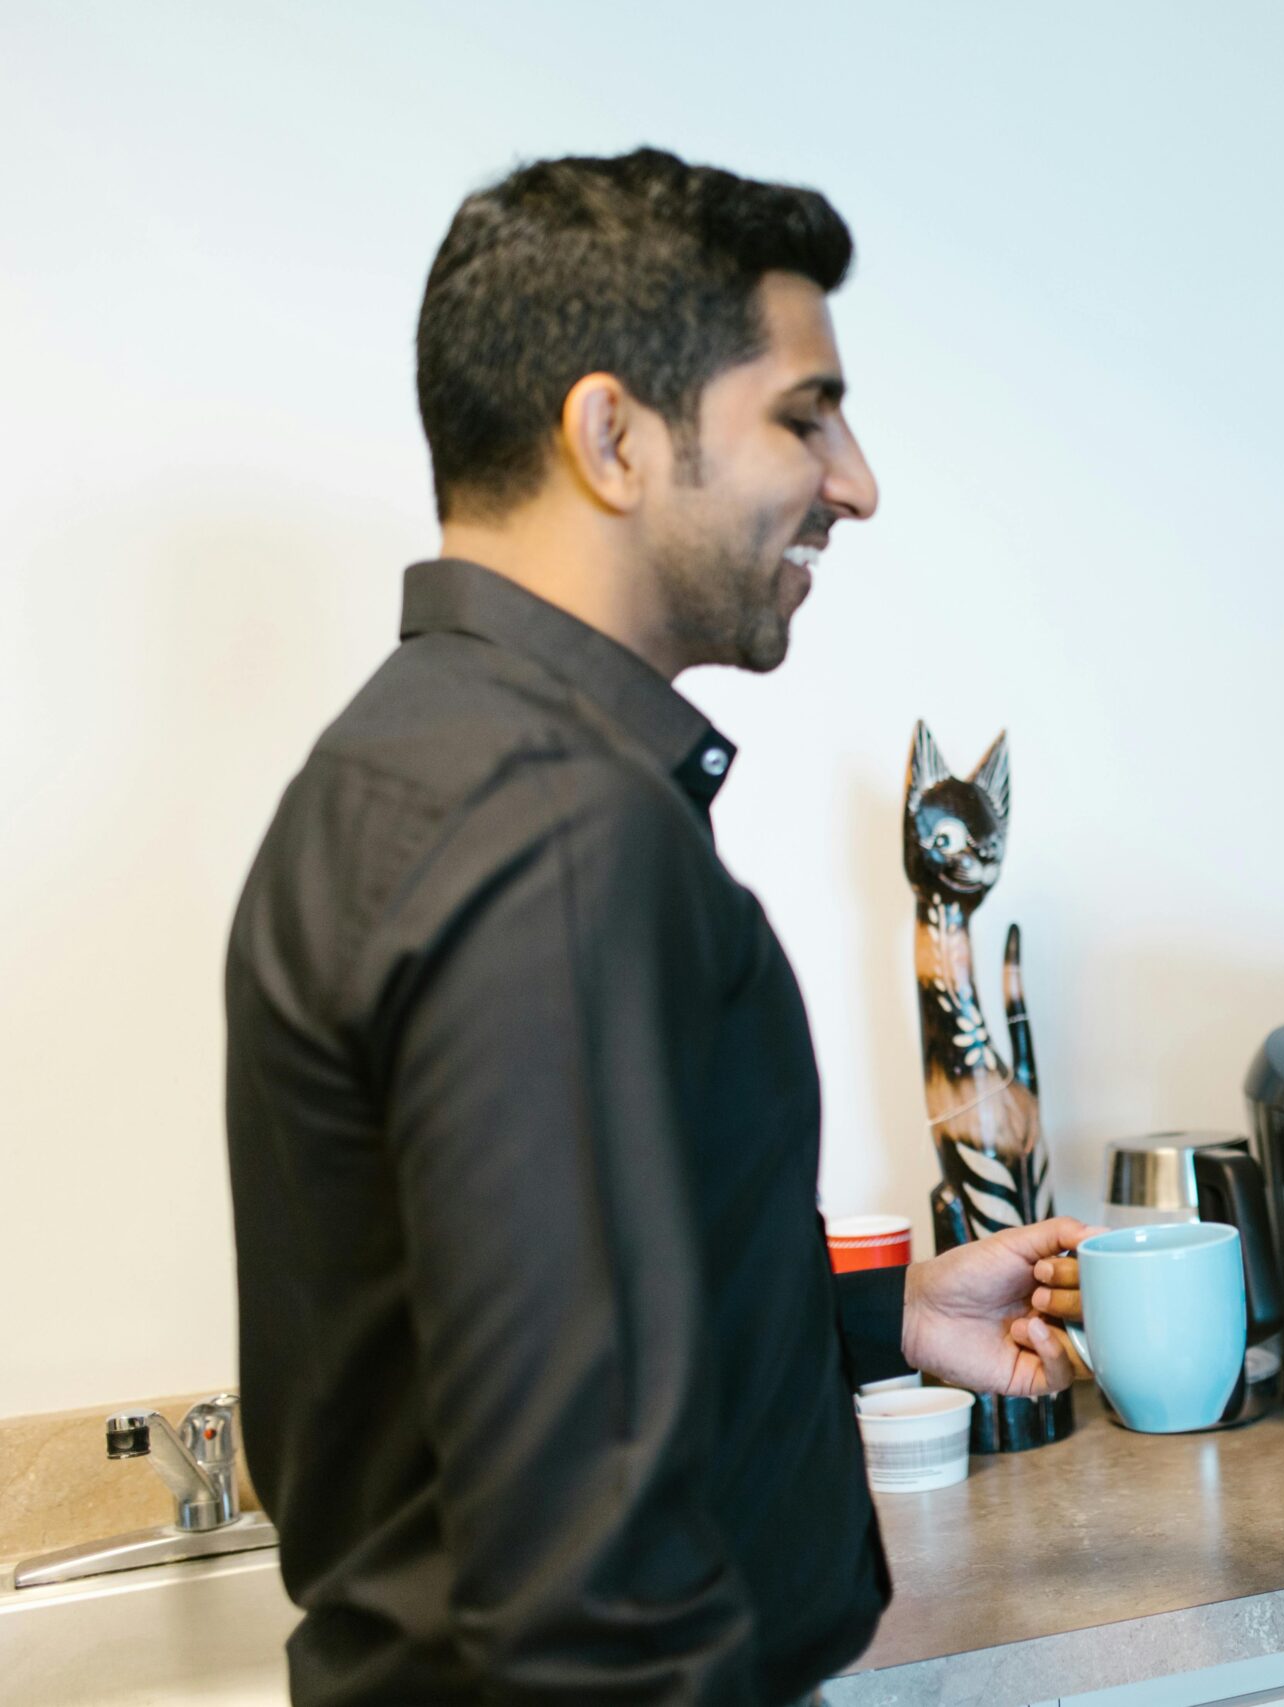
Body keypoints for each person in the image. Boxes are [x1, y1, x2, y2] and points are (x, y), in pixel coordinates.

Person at [226, 148, 1087, 1706]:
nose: (857, 481)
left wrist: (869, 1317)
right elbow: (586, 1569)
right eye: (804, 415)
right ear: (611, 435)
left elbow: (503, 1327)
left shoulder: (414, 761)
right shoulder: (547, 827)